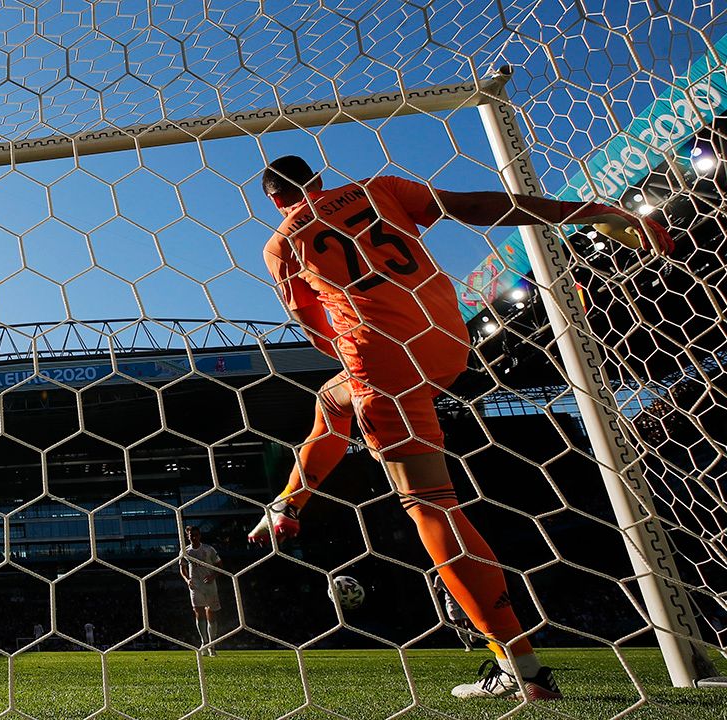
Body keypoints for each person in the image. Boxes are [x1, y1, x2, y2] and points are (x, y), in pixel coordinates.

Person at [249, 155, 673, 701]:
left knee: (429, 504)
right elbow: (473, 206)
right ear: (317, 181)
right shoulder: (378, 188)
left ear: (274, 201)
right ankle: (289, 501)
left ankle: (522, 669)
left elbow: (312, 324)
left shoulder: (281, 242)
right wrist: (582, 210)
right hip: (447, 339)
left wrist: (364, 365)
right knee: (333, 400)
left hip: (383, 361)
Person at [179, 525, 223, 657]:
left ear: (200, 535)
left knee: (211, 613)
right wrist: (187, 580)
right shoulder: (185, 551)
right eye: (191, 535)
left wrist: (212, 576)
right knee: (198, 613)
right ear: (188, 537)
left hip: (210, 586)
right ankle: (204, 642)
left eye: (196, 535)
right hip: (195, 586)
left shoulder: (209, 549)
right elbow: (182, 568)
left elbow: (220, 566)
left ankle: (212, 645)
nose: (194, 537)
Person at [433, 573, 480, 651]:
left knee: (468, 623)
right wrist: (434, 590)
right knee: (457, 624)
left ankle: (472, 631)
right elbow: (436, 589)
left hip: (464, 600)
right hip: (451, 602)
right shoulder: (440, 577)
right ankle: (468, 645)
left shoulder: (460, 573)